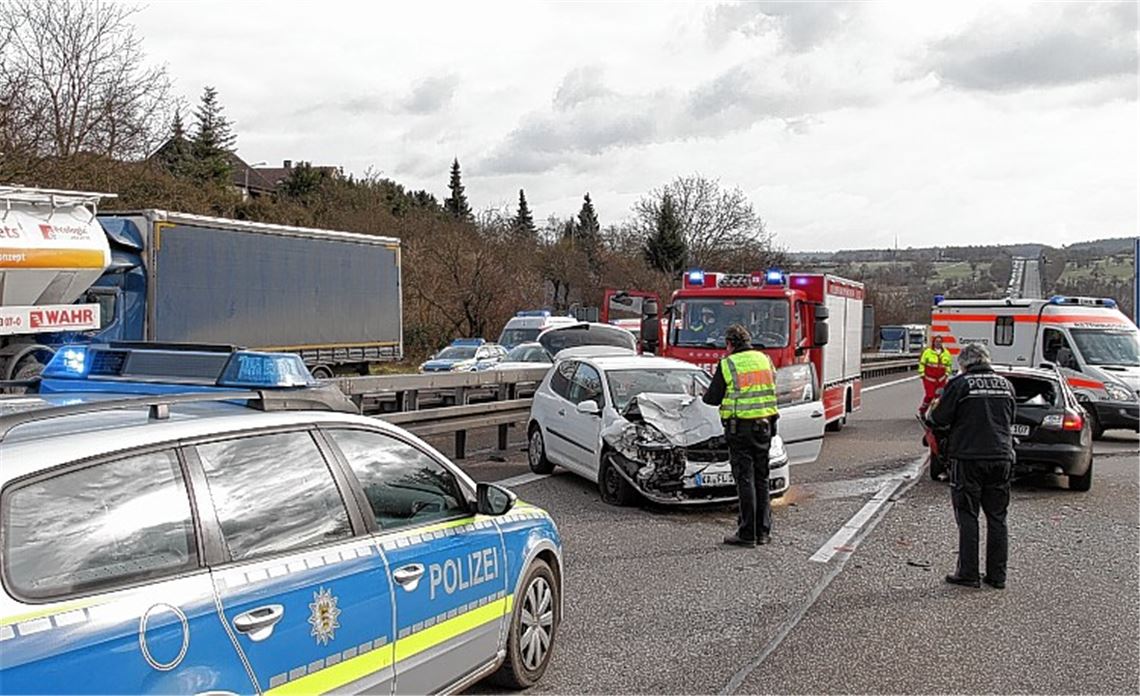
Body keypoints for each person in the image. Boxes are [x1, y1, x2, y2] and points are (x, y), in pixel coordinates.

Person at [927, 342, 1016, 589]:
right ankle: (997, 576)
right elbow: (1011, 418)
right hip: (1001, 457)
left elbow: (937, 418)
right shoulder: (1006, 385)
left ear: (964, 364)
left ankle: (968, 573)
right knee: (997, 517)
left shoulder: (961, 384)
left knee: (968, 515)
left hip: (968, 458)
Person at [702, 324, 780, 547]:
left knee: (745, 479)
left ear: (729, 344)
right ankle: (763, 532)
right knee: (762, 479)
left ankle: (747, 533)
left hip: (740, 429)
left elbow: (712, 399)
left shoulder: (728, 364)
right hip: (765, 427)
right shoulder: (765, 359)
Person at [918, 336, 953, 414]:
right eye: (936, 341)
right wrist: (922, 373)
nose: (938, 343)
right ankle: (922, 411)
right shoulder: (927, 352)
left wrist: (947, 373)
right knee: (929, 396)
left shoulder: (946, 353)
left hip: (941, 380)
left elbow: (949, 365)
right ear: (933, 342)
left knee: (939, 398)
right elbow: (922, 363)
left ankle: (935, 414)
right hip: (929, 379)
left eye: (940, 341)